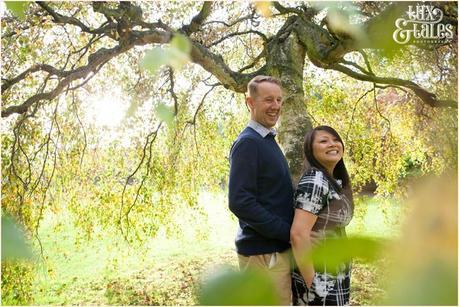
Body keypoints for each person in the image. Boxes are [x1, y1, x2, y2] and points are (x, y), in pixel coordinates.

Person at [228, 75, 294, 305]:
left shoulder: (266, 140)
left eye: (279, 99)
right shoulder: (249, 143)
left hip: (274, 251)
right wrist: (287, 232)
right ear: (250, 103)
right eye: (268, 100)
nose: (275, 106)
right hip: (263, 254)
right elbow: (240, 201)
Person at [290, 125, 354, 306]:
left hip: (334, 279)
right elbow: (298, 234)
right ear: (310, 151)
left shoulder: (331, 181)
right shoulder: (315, 179)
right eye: (324, 141)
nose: (332, 144)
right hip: (321, 283)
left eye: (335, 140)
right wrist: (315, 285)